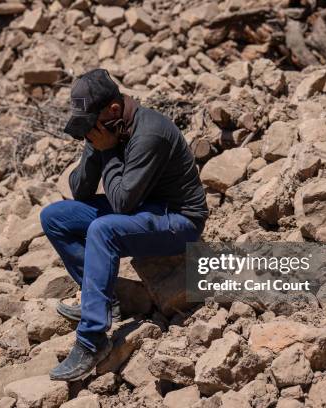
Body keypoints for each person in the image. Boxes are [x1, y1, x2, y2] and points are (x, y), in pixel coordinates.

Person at [40, 68, 208, 381]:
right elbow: (81, 190)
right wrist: (95, 146)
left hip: (179, 219)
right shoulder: (109, 129)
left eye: (92, 126)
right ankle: (108, 302)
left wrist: (107, 153)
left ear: (114, 110)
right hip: (143, 208)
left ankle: (92, 340)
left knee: (103, 231)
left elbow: (121, 204)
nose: (91, 132)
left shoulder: (149, 134)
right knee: (55, 216)